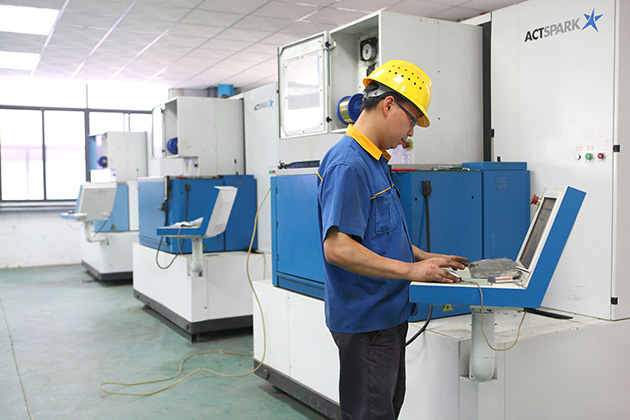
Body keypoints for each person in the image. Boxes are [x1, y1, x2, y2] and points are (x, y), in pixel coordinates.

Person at [316, 60, 469, 419]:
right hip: (367, 320)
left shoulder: (374, 161)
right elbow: (338, 248)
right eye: (411, 120)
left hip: (385, 315)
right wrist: (412, 271)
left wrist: (422, 257)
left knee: (384, 410)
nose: (410, 133)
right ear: (388, 105)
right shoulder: (348, 164)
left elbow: (376, 234)